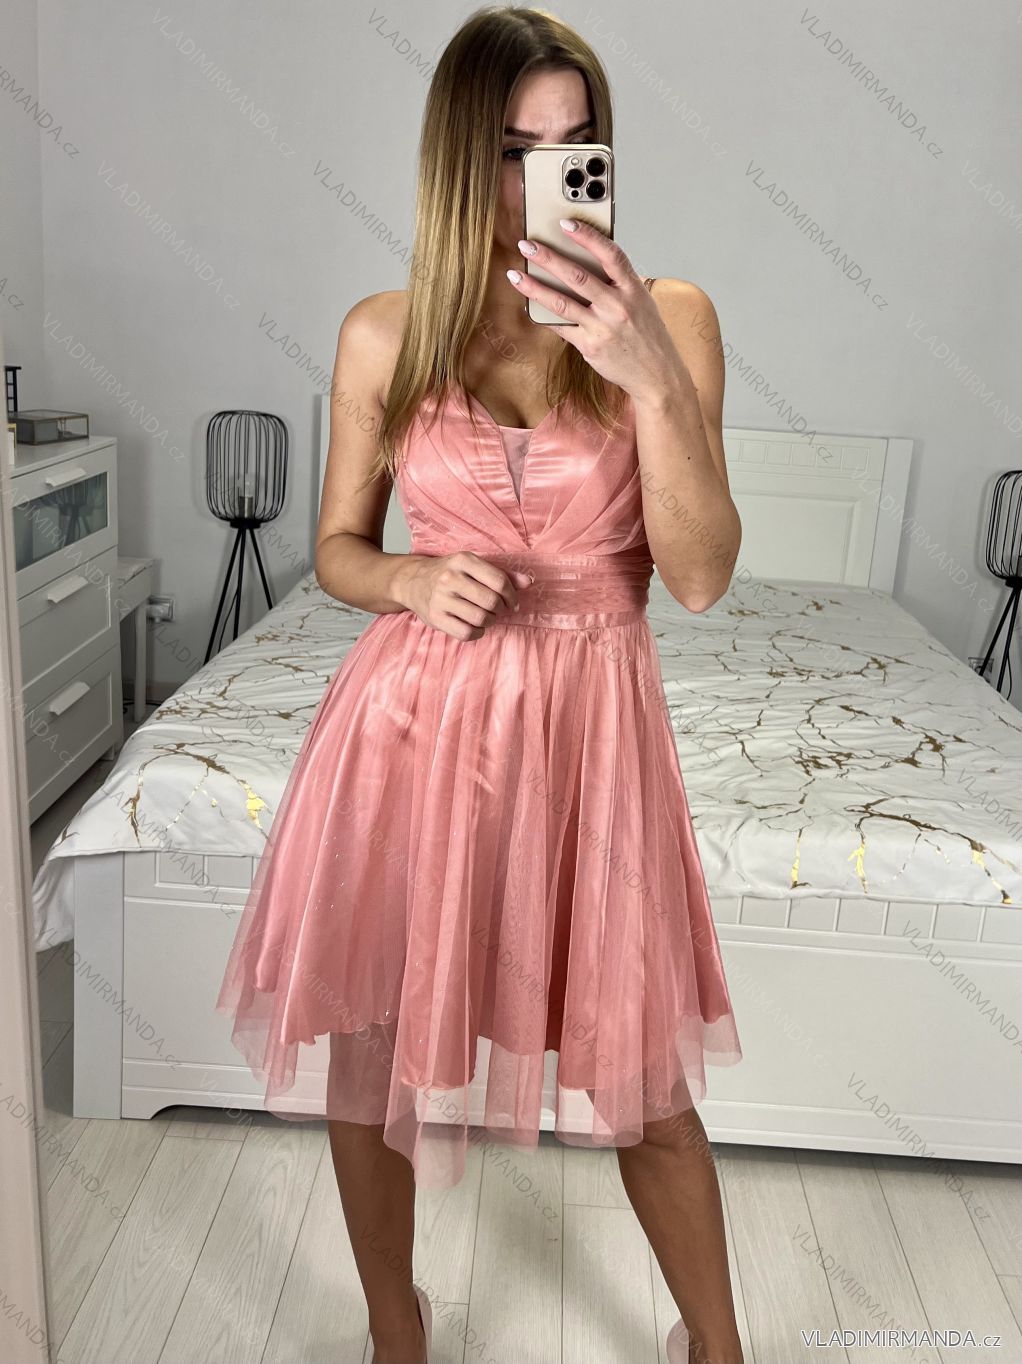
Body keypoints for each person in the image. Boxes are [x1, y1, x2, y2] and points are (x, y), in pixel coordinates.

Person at [216, 6, 746, 1362]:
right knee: (373, 1056)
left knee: (642, 1081)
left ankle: (717, 1346)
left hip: (592, 736)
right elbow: (338, 547)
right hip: (413, 729)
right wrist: (402, 577)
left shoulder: (673, 318)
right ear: (462, 162)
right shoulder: (384, 334)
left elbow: (697, 576)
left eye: (578, 146)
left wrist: (647, 381)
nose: (549, 179)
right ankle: (395, 1328)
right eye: (516, 151)